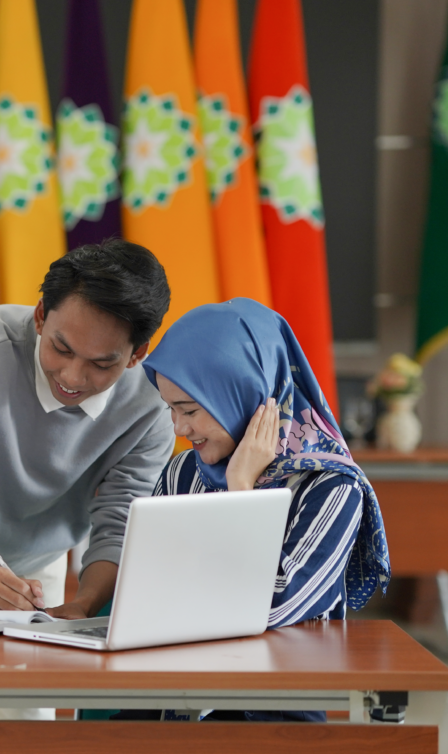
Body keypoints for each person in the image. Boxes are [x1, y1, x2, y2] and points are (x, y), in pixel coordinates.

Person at [0, 240, 173, 719]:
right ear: (41, 316)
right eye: (61, 349)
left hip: (39, 561)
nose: (72, 375)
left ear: (136, 355)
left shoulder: (153, 406)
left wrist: (85, 603)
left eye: (102, 363)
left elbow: (120, 517)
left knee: (31, 720)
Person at [131, 297, 390, 723]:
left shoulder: (332, 488)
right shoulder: (183, 473)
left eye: (190, 410)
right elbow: (146, 591)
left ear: (246, 394)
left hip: (276, 716)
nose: (179, 429)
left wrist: (241, 489)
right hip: (178, 706)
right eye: (171, 410)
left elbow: (275, 606)